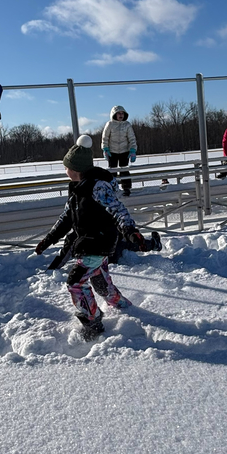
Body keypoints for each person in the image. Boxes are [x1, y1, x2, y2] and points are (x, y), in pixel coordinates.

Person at [35, 135, 149, 341]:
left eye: (67, 167)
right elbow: (66, 219)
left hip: (98, 242)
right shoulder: (77, 191)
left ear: (76, 169)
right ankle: (124, 307)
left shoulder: (98, 187)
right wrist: (49, 239)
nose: (65, 171)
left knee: (76, 282)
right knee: (100, 282)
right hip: (91, 243)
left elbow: (117, 210)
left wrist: (130, 230)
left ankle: (93, 320)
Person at [101, 105, 137, 196]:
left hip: (124, 151)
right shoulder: (109, 124)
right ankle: (111, 188)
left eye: (122, 113)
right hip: (112, 152)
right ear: (114, 114)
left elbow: (132, 139)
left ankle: (126, 188)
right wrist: (105, 149)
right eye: (118, 113)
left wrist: (132, 150)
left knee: (124, 170)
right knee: (112, 171)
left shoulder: (127, 125)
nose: (121, 115)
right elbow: (105, 138)